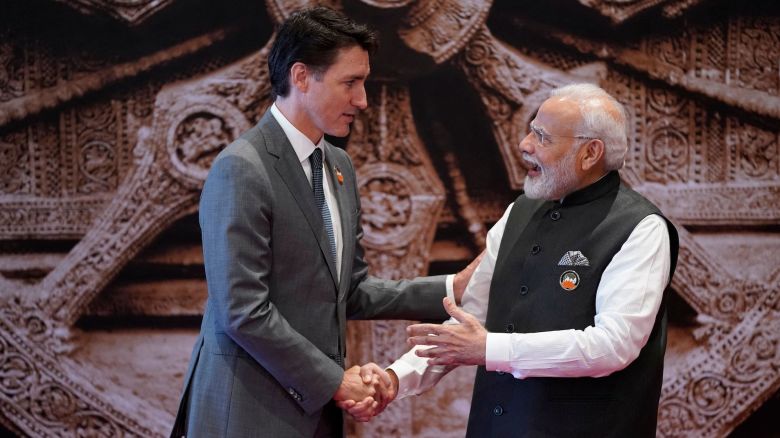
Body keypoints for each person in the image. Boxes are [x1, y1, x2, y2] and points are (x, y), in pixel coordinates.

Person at [170, 7, 472, 438]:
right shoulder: (241, 167)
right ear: (300, 76)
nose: (363, 99)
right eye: (350, 82)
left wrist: (451, 288)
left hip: (316, 418)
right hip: (247, 416)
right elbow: (242, 311)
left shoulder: (338, 166)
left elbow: (350, 289)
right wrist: (335, 380)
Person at [347, 83, 680, 437]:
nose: (524, 145)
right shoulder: (518, 212)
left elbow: (612, 346)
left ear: (590, 153)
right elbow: (469, 322)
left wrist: (490, 348)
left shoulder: (640, 228)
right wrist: (395, 378)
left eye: (543, 137)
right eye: (530, 130)